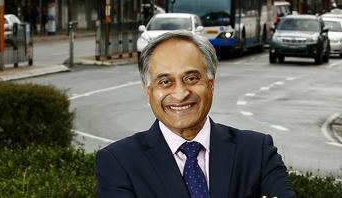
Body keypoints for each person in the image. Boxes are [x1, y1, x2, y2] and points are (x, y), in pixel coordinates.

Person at [95, 31, 296, 198]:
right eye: (165, 82)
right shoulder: (118, 162)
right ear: (148, 92)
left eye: (191, 78)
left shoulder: (257, 152)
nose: (181, 94)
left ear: (211, 82)